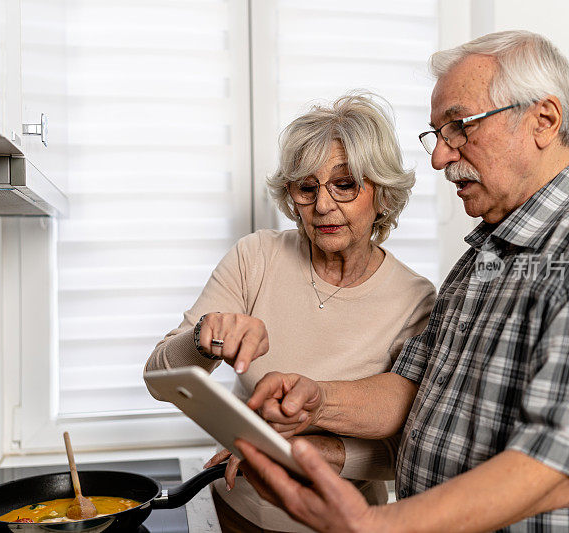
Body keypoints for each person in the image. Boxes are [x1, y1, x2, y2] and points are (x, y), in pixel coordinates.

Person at [235, 30, 569, 532]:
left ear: (544, 120)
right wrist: (318, 401)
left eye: (459, 127)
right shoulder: (482, 259)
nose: (439, 158)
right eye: (437, 134)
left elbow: (568, 460)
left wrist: (379, 526)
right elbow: (412, 387)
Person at [144, 92, 436, 532]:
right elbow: (159, 379)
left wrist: (308, 451)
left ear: (383, 194)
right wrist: (205, 336)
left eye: (345, 183)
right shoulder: (256, 256)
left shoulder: (414, 299)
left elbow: (405, 449)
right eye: (306, 187)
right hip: (235, 513)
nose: (321, 206)